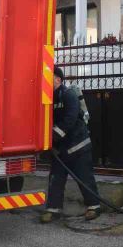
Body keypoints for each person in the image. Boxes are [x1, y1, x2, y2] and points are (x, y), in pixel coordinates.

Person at [41, 67, 101, 223]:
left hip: (78, 145)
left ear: (58, 80)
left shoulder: (68, 95)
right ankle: (53, 210)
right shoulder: (48, 98)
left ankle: (94, 207)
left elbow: (70, 118)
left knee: (84, 177)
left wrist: (53, 136)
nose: (45, 80)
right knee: (56, 179)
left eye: (49, 77)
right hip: (60, 149)